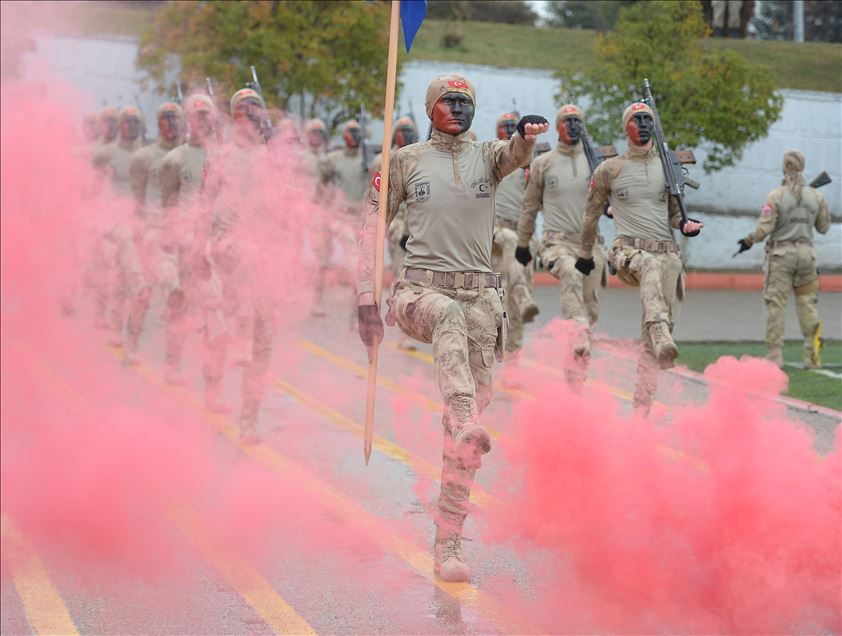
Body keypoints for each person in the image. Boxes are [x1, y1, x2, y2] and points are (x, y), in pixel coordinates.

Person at [356, 73, 548, 582]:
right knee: (447, 317)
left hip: (482, 297)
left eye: (466, 102)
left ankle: (449, 544)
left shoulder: (489, 155)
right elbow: (372, 228)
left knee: (463, 442)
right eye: (449, 101)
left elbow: (515, 155)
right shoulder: (404, 162)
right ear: (430, 107)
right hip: (421, 293)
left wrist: (526, 136)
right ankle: (464, 413)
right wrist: (364, 297)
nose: (459, 109)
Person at [575, 101, 703, 413]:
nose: (643, 124)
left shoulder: (667, 166)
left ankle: (642, 410)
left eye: (648, 119)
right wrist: (584, 254)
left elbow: (674, 214)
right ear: (626, 127)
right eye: (637, 120)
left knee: (653, 343)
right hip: (628, 252)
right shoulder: (610, 169)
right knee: (648, 272)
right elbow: (591, 216)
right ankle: (659, 329)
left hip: (667, 255)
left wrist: (684, 225)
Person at [202, 87, 277, 443]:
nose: (250, 115)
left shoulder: (274, 158)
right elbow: (203, 207)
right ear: (233, 117)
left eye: (255, 109)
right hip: (229, 245)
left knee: (264, 346)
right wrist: (200, 249)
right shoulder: (220, 155)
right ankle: (217, 379)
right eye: (243, 110)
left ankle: (249, 420)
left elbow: (293, 208)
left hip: (265, 259)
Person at [516, 104, 606, 385]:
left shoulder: (597, 164)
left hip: (590, 247)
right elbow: (529, 207)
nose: (573, 126)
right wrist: (522, 243)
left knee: (588, 312)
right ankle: (578, 330)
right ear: (557, 127)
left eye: (578, 121)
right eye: (568, 121)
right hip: (556, 243)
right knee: (569, 273)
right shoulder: (543, 164)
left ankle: (575, 381)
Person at [735, 150, 830, 368]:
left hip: (781, 257)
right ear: (802, 167)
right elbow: (823, 227)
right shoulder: (816, 196)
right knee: (808, 305)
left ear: (784, 168)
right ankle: (812, 354)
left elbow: (765, 227)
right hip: (807, 256)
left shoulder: (775, 196)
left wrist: (748, 241)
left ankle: (775, 355)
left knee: (775, 304)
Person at [159, 93, 220, 389]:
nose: (201, 121)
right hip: (187, 242)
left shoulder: (224, 158)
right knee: (183, 306)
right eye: (196, 116)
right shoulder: (174, 159)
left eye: (206, 115)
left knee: (215, 314)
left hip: (218, 242)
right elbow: (168, 204)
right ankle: (172, 363)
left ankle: (213, 387)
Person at [124, 101, 184, 364]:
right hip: (151, 233)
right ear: (158, 122)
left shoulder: (189, 155)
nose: (171, 124)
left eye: (175, 119)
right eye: (165, 119)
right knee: (142, 293)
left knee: (178, 299)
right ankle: (132, 345)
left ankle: (173, 363)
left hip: (181, 234)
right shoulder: (144, 157)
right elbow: (137, 199)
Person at [492, 112, 539, 363]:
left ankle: (513, 360)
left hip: (521, 236)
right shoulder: (492, 159)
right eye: (506, 126)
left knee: (515, 311)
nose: (511, 129)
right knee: (495, 304)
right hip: (495, 234)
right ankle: (522, 297)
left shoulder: (530, 164)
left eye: (514, 126)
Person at [370, 117, 419, 349]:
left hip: (415, 224)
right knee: (399, 275)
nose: (407, 135)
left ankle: (405, 328)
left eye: (410, 131)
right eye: (402, 131)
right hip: (394, 222)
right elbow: (373, 193)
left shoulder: (420, 157)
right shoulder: (383, 160)